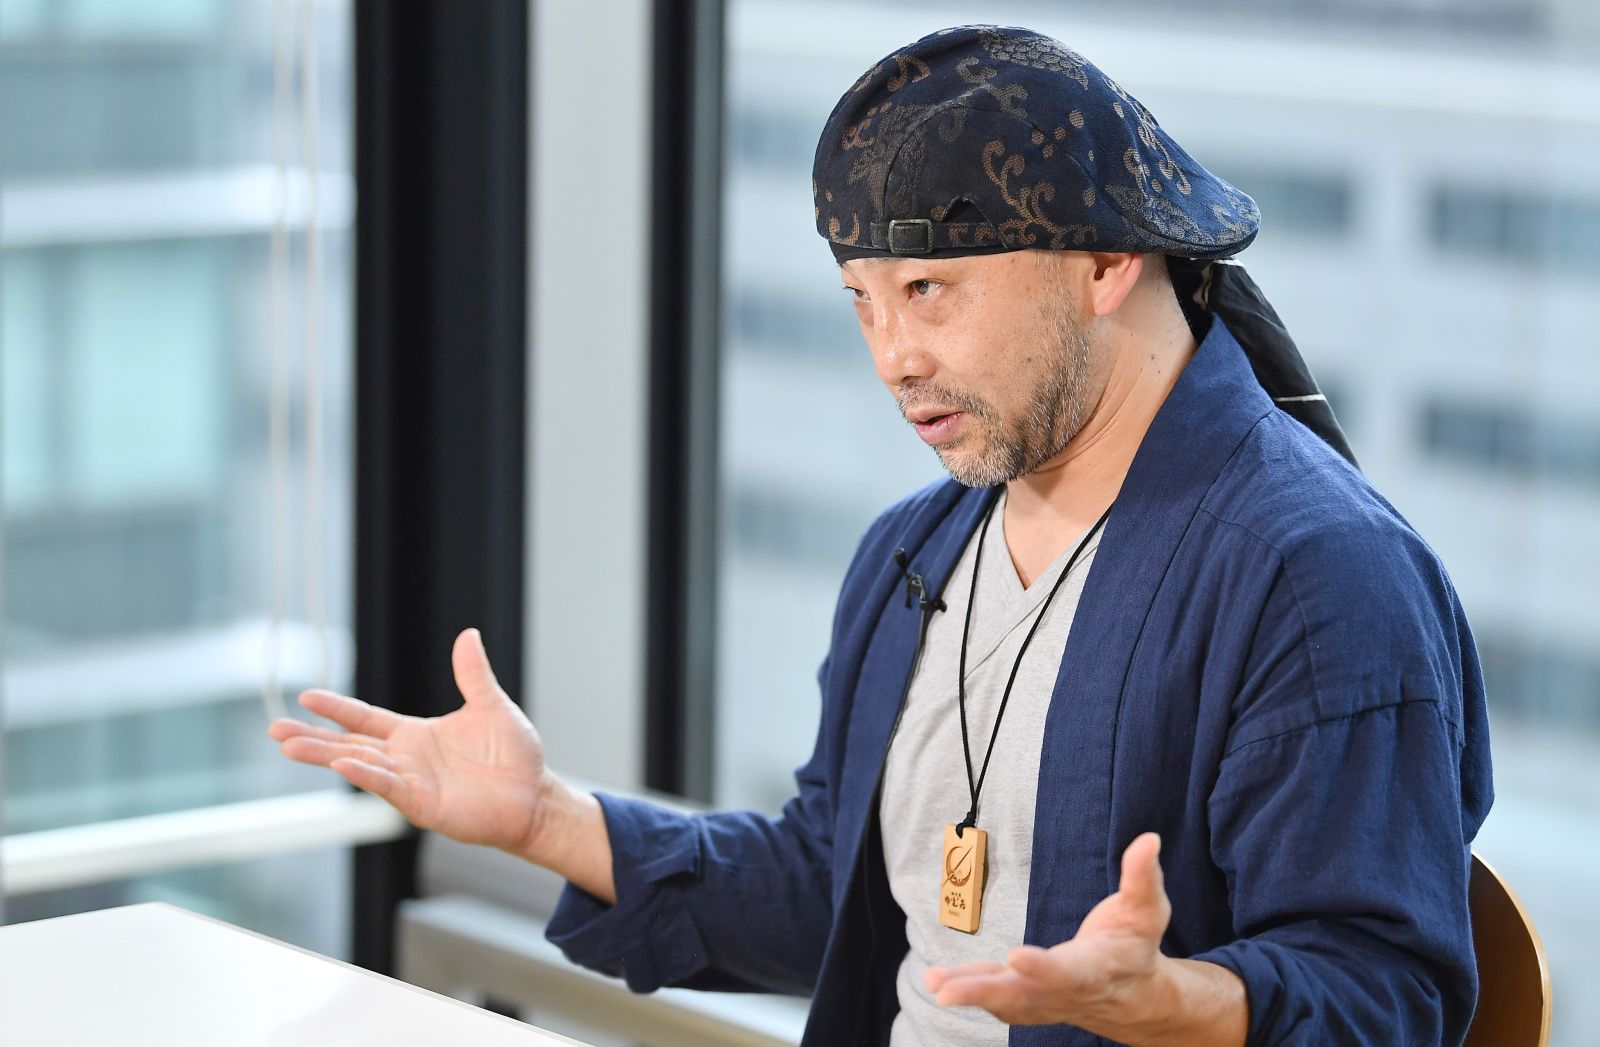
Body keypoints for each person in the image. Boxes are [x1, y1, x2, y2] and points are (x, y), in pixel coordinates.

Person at [270, 25, 1492, 1047]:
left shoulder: (1315, 575)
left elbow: (1388, 994)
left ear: (1108, 260)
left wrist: (1174, 1004)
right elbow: (834, 891)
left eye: (929, 292)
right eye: (862, 303)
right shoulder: (918, 552)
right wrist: (544, 818)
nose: (893, 359)